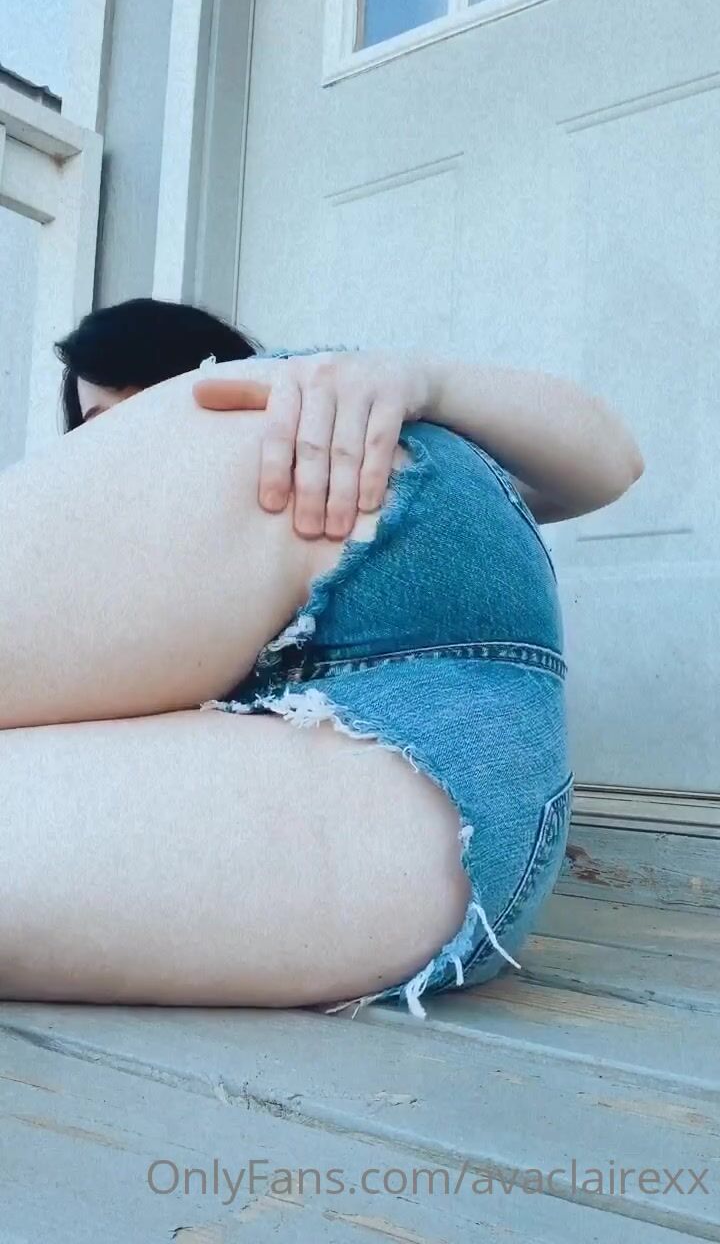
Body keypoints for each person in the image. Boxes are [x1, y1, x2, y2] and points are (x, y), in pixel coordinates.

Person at [0, 299, 643, 1018]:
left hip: (448, 780)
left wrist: (421, 381)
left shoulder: (330, 437)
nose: (117, 446)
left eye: (146, 406)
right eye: (96, 428)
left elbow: (613, 460)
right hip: (455, 839)